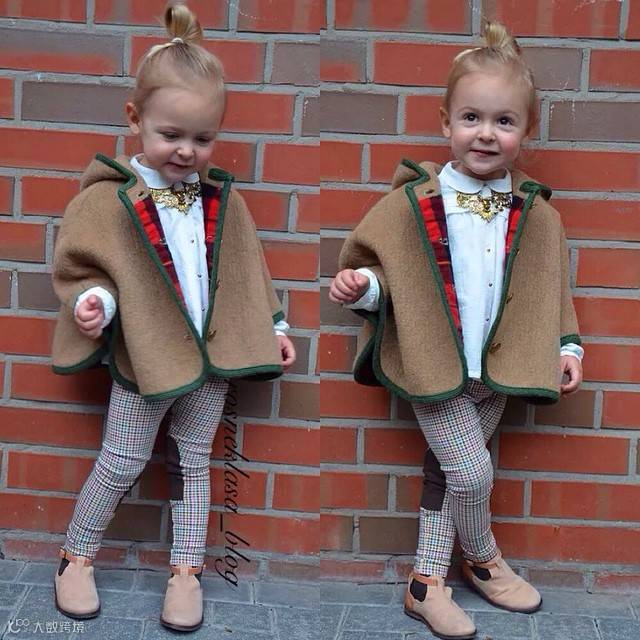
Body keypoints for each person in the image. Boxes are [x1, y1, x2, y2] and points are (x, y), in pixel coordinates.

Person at [329, 22, 583, 640]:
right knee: (472, 474)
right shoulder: (415, 202)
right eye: (472, 117)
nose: (486, 133)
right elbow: (386, 275)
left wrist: (566, 346)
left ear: (526, 130)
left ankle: (427, 584)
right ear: (446, 122)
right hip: (432, 360)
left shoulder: (537, 215)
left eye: (504, 121)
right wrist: (364, 290)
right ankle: (484, 557)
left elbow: (551, 290)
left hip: (498, 367)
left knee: (448, 474)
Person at [50, 3, 295, 632]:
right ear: (135, 119)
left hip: (210, 358)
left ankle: (186, 571)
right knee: (122, 458)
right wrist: (95, 303)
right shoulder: (110, 200)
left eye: (203, 139)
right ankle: (75, 557)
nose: (187, 151)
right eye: (171, 135)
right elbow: (90, 268)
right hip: (146, 355)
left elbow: (246, 272)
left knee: (193, 461)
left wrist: (273, 328)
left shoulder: (220, 200)